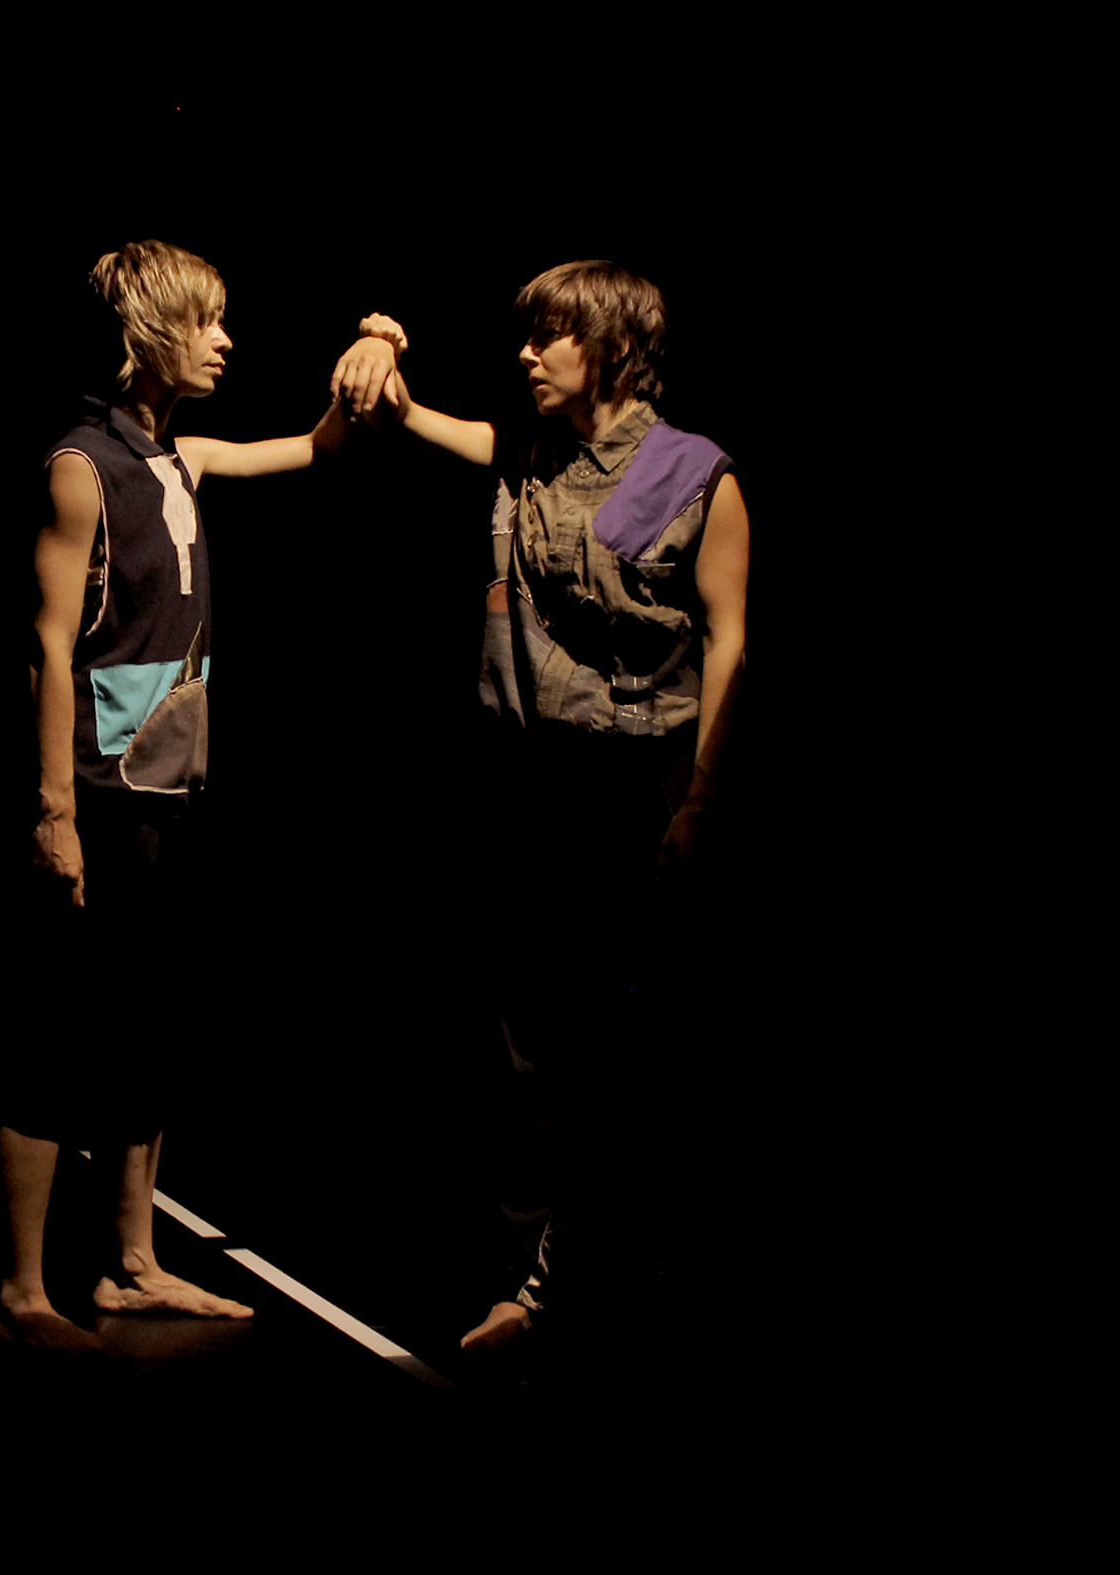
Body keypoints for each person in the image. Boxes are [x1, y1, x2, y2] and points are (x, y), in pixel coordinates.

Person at [329, 262, 750, 1366]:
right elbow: (406, 416)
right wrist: (381, 341)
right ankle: (529, 1282)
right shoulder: (529, 454)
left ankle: (611, 1278)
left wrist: (701, 801)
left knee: (627, 1051)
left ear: (608, 348)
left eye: (549, 335)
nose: (525, 353)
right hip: (533, 786)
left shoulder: (689, 473)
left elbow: (729, 641)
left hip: (636, 787)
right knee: (528, 1051)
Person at [0, 240, 354, 1351]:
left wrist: (375, 347)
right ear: (150, 336)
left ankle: (132, 1265)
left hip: (169, 788)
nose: (225, 341)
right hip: (97, 795)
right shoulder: (80, 465)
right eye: (205, 323)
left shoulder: (179, 457)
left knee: (149, 1031)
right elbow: (48, 647)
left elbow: (318, 446)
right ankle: (21, 1292)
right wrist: (53, 814)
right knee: (60, 1035)